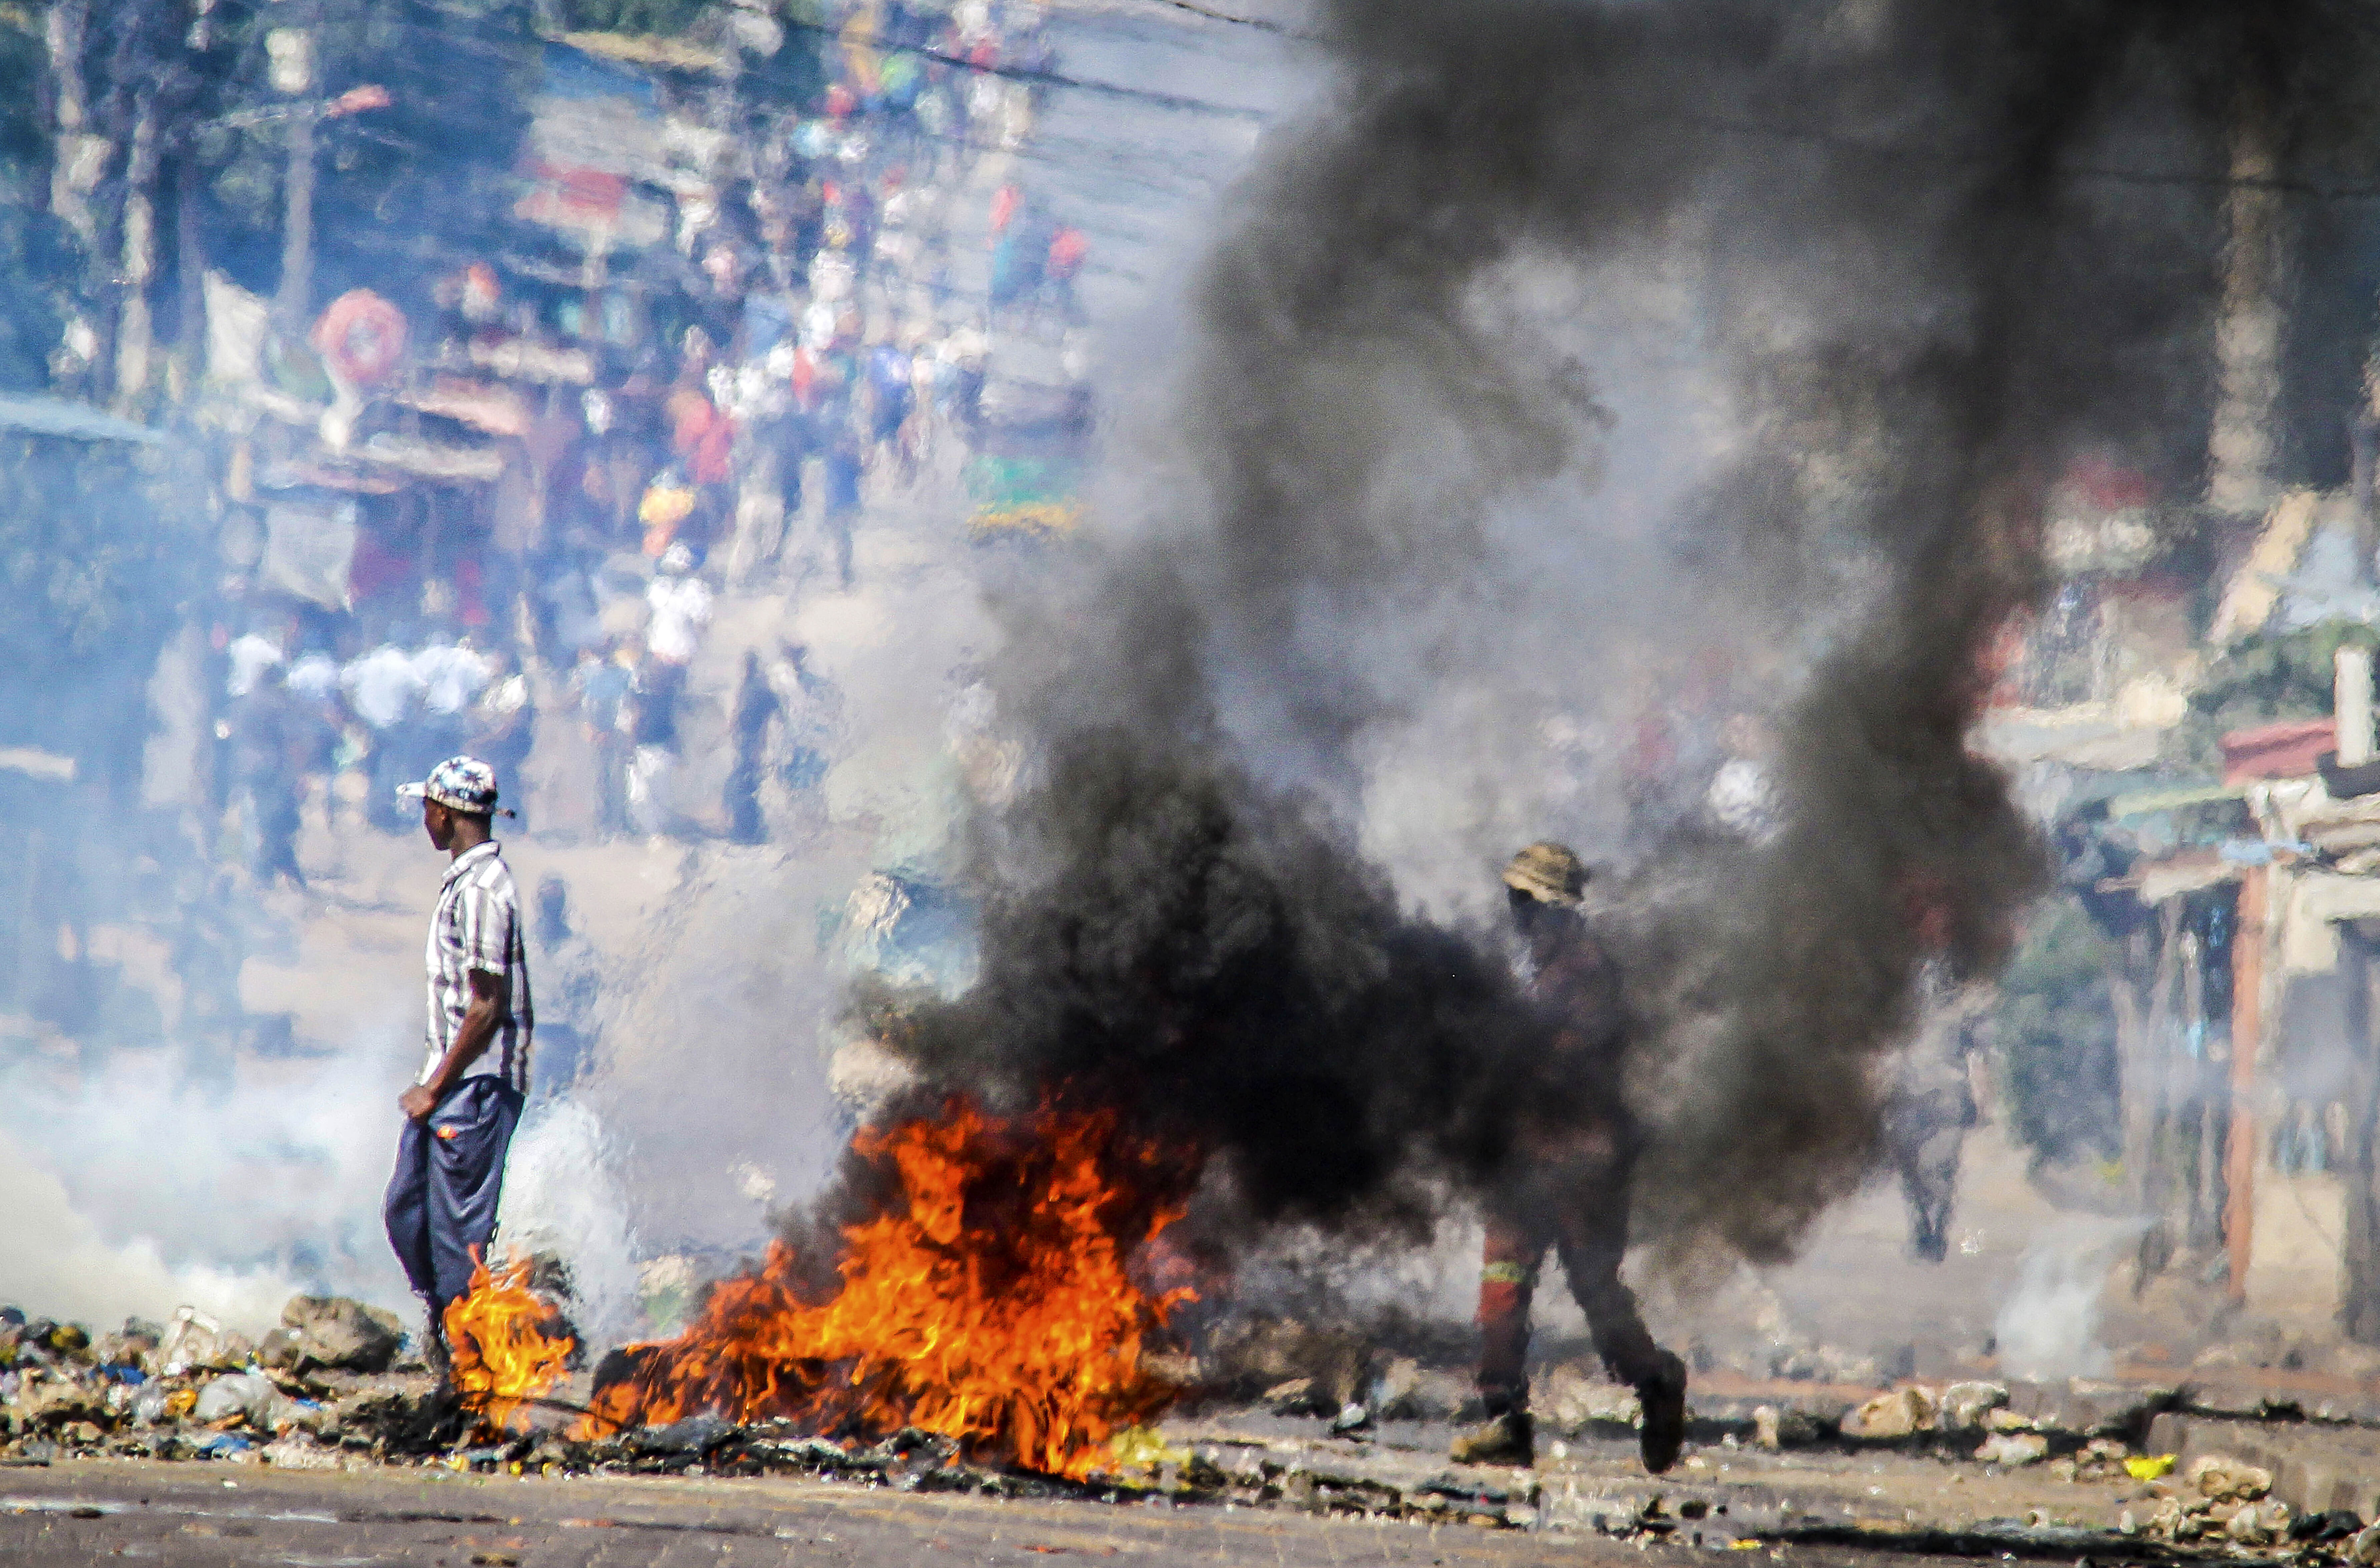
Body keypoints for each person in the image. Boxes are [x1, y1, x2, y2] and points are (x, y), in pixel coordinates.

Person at [1451, 842, 1687, 1473]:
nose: (1517, 916)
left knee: (1594, 1289)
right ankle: (1504, 1421)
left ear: (1554, 910)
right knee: (1501, 1286)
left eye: (1526, 903)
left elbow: (1561, 1063)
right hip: (1530, 1158)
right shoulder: (1545, 972)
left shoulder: (1584, 975)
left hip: (1583, 1163)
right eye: (1515, 902)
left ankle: (1657, 1384)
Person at [381, 756, 534, 1374]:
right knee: (406, 1210)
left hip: (473, 1088)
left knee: (456, 1242)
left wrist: (434, 1086)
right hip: (451, 1084)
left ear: (443, 814)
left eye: (427, 809)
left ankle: (476, 1371)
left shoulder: (483, 891)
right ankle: (449, 1333)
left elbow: (486, 1007)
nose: (425, 819)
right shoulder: (466, 884)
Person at [725, 650, 783, 844]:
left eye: (747, 665)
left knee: (747, 787)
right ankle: (743, 829)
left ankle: (749, 831)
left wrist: (761, 746)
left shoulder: (759, 689)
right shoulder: (747, 686)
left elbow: (770, 716)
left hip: (754, 744)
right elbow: (737, 715)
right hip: (743, 743)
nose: (744, 669)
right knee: (740, 786)